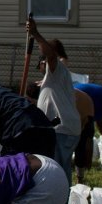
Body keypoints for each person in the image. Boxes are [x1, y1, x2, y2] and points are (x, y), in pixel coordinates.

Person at [27, 17, 80, 182]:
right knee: (61, 169)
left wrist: (35, 33)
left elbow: (50, 55)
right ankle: (64, 203)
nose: (41, 64)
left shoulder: (55, 70)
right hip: (64, 128)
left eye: (41, 60)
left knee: (56, 170)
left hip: (61, 129)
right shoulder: (54, 79)